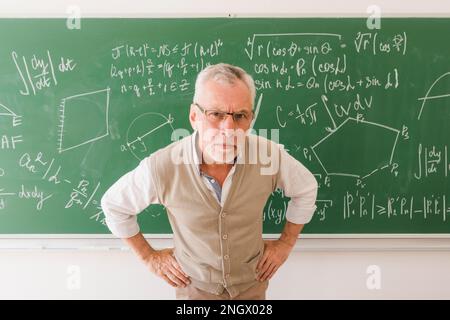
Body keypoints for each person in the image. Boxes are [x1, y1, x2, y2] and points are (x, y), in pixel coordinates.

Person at [101, 63, 318, 300]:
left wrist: (285, 244)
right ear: (194, 116)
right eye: (216, 114)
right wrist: (149, 258)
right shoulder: (162, 166)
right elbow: (114, 206)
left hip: (252, 290)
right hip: (194, 292)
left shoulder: (269, 157)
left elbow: (306, 189)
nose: (229, 128)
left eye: (240, 116)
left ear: (251, 119)